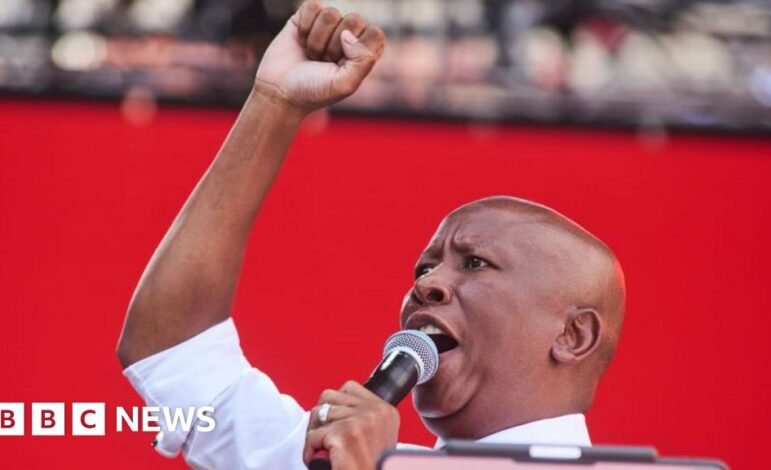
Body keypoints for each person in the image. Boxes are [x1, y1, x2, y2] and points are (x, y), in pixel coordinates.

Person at [116, 1, 626, 469]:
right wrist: (274, 103)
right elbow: (174, 351)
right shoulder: (341, 453)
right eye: (425, 268)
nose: (427, 285)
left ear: (573, 335)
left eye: (475, 263)